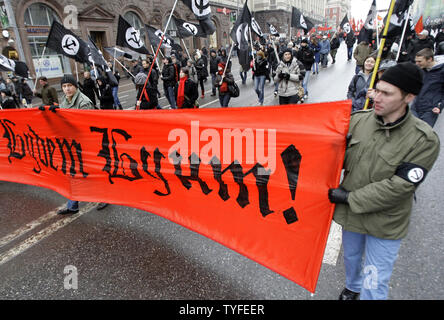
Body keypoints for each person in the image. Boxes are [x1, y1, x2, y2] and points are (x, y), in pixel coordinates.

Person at [329, 62, 440, 300]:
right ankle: (353, 287)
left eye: (386, 93)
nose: (376, 97)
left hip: (385, 222)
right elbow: (334, 158)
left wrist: (349, 198)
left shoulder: (424, 139)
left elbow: (401, 187)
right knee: (351, 260)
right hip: (353, 216)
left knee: (375, 278)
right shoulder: (359, 121)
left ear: (408, 97)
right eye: (377, 89)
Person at [54, 75, 96, 215]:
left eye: (69, 86)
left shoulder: (84, 102)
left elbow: (86, 126)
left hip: (86, 145)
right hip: (72, 144)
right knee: (72, 174)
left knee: (92, 174)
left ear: (75, 86)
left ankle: (104, 198)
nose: (67, 89)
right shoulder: (64, 100)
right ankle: (72, 205)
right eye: (64, 87)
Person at [412, 48, 444, 128]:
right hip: (415, 107)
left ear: (429, 59)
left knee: (423, 135)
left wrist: (440, 105)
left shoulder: (441, 71)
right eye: (416, 61)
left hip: (430, 110)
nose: (417, 64)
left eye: (419, 61)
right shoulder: (421, 70)